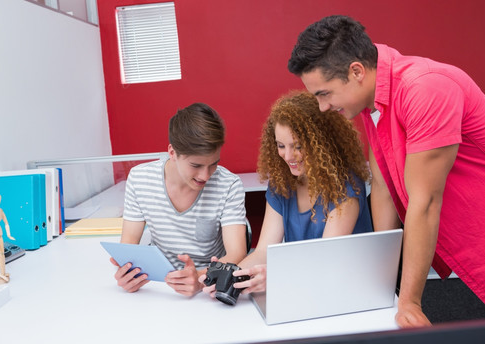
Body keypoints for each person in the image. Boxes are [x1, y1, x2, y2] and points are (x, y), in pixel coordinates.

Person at [287, 15, 485, 327]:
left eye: (324, 93)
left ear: (356, 72)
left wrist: (410, 303)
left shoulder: (425, 89)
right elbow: (385, 186)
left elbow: (425, 202)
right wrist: (383, 281)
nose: (322, 107)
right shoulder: (371, 101)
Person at [202, 91, 372, 296]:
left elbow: (325, 259)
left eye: (298, 146)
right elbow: (264, 251)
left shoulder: (346, 186)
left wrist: (274, 276)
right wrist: (231, 275)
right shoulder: (282, 184)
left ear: (322, 144)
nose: (288, 156)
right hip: (301, 286)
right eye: (281, 146)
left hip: (345, 287)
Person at [110, 103, 248, 297]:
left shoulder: (229, 185)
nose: (206, 175)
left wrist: (200, 278)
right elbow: (129, 243)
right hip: (157, 287)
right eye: (196, 165)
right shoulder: (139, 178)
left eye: (214, 164)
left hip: (208, 285)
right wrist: (128, 274)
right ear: (172, 153)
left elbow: (237, 253)